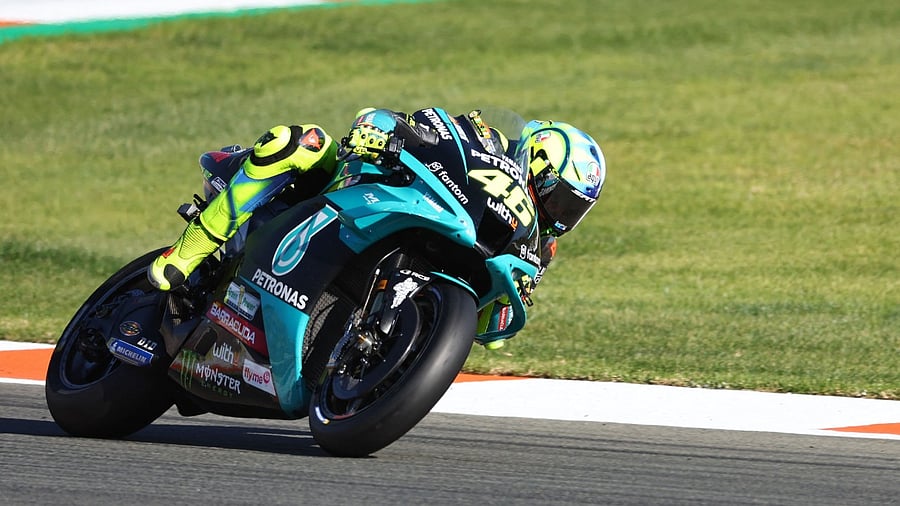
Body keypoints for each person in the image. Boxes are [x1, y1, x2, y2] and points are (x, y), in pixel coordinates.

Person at [147, 107, 606, 333]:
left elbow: (489, 332)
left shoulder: (536, 247)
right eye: (561, 199)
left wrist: (505, 298)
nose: (560, 215)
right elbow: (415, 120)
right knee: (300, 140)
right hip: (360, 188)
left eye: (573, 211)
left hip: (433, 251)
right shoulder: (484, 137)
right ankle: (188, 253)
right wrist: (379, 132)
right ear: (539, 163)